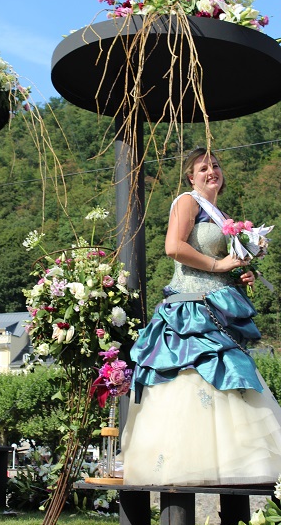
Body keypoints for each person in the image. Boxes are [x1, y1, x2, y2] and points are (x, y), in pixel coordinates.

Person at [120, 147, 281, 486]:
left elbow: (222, 263)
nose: (212, 171)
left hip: (220, 307)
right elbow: (174, 247)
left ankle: (232, 472)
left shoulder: (222, 217)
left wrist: (238, 274)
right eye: (203, 167)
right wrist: (218, 264)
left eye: (216, 165)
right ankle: (184, 467)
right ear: (190, 176)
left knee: (229, 380)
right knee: (190, 380)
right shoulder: (187, 201)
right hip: (191, 308)